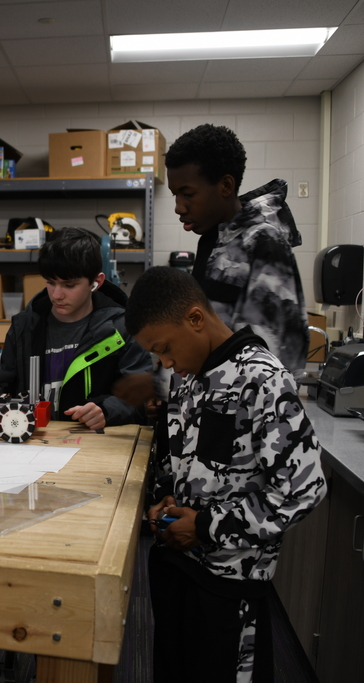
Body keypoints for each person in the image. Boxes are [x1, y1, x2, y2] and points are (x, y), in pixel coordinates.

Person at [125, 266, 326, 683]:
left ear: (195, 319)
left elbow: (303, 489)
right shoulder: (189, 376)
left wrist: (206, 525)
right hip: (181, 568)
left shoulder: (263, 380)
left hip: (229, 586)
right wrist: (165, 496)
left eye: (164, 347)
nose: (164, 362)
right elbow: (181, 457)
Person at [165, 123, 310, 372]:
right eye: (175, 195)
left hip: (237, 408)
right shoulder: (214, 239)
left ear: (225, 186)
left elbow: (278, 359)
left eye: (187, 193)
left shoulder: (265, 242)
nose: (179, 207)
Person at [0, 227, 153, 430]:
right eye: (50, 282)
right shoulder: (23, 327)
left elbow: (140, 399)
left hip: (94, 446)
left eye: (69, 285)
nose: (56, 295)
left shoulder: (122, 329)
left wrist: (106, 410)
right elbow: (7, 387)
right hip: (32, 443)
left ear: (96, 282)